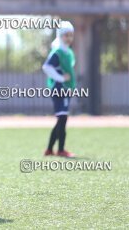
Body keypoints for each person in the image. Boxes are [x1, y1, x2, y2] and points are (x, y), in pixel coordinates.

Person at [42, 21, 76, 158]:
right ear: (60, 36)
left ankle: (50, 150)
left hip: (66, 89)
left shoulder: (68, 52)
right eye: (66, 35)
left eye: (71, 35)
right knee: (62, 118)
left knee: (61, 119)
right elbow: (46, 67)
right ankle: (61, 150)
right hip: (59, 88)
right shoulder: (57, 52)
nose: (69, 38)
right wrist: (61, 78)